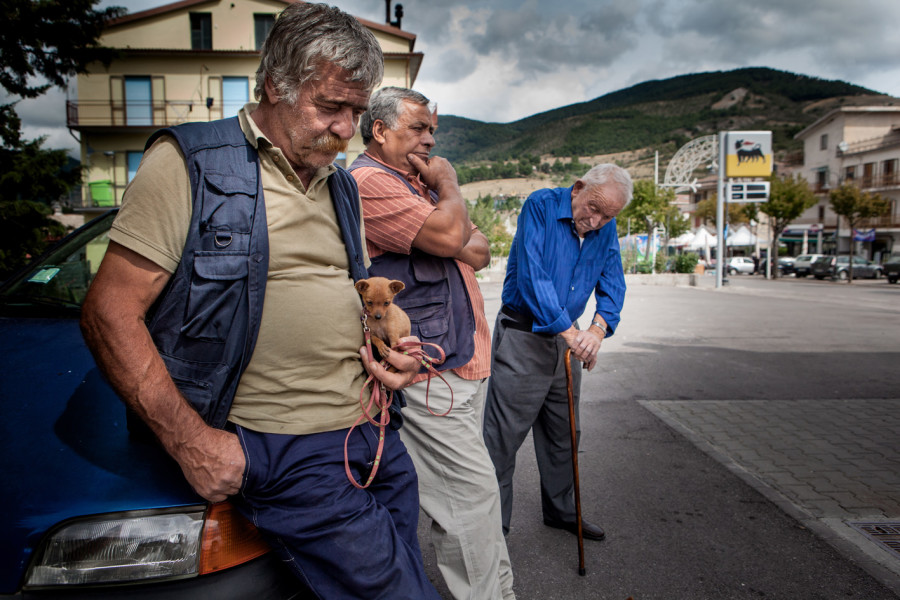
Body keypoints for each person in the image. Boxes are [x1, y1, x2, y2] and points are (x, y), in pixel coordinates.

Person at [79, 5, 440, 599]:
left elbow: (349, 293)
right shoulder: (191, 164)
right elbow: (109, 312)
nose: (348, 129)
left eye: (356, 110)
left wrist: (395, 351)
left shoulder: (341, 183)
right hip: (291, 451)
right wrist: (191, 441)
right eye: (331, 107)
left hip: (374, 433)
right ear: (276, 84)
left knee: (403, 572)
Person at [349, 87, 515, 600]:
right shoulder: (371, 181)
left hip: (458, 364)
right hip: (428, 372)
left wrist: (449, 218)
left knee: (477, 496)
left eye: (432, 131)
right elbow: (451, 238)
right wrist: (448, 184)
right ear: (380, 130)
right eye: (418, 128)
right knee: (468, 499)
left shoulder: (413, 185)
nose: (430, 139)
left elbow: (481, 249)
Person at [482, 164, 633, 542]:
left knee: (564, 435)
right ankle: (492, 530)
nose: (596, 221)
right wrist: (572, 333)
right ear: (578, 187)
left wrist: (597, 331)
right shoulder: (541, 206)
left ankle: (562, 511)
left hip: (567, 343)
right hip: (523, 336)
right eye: (593, 208)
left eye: (607, 216)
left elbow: (613, 278)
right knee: (502, 440)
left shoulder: (605, 225)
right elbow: (534, 278)